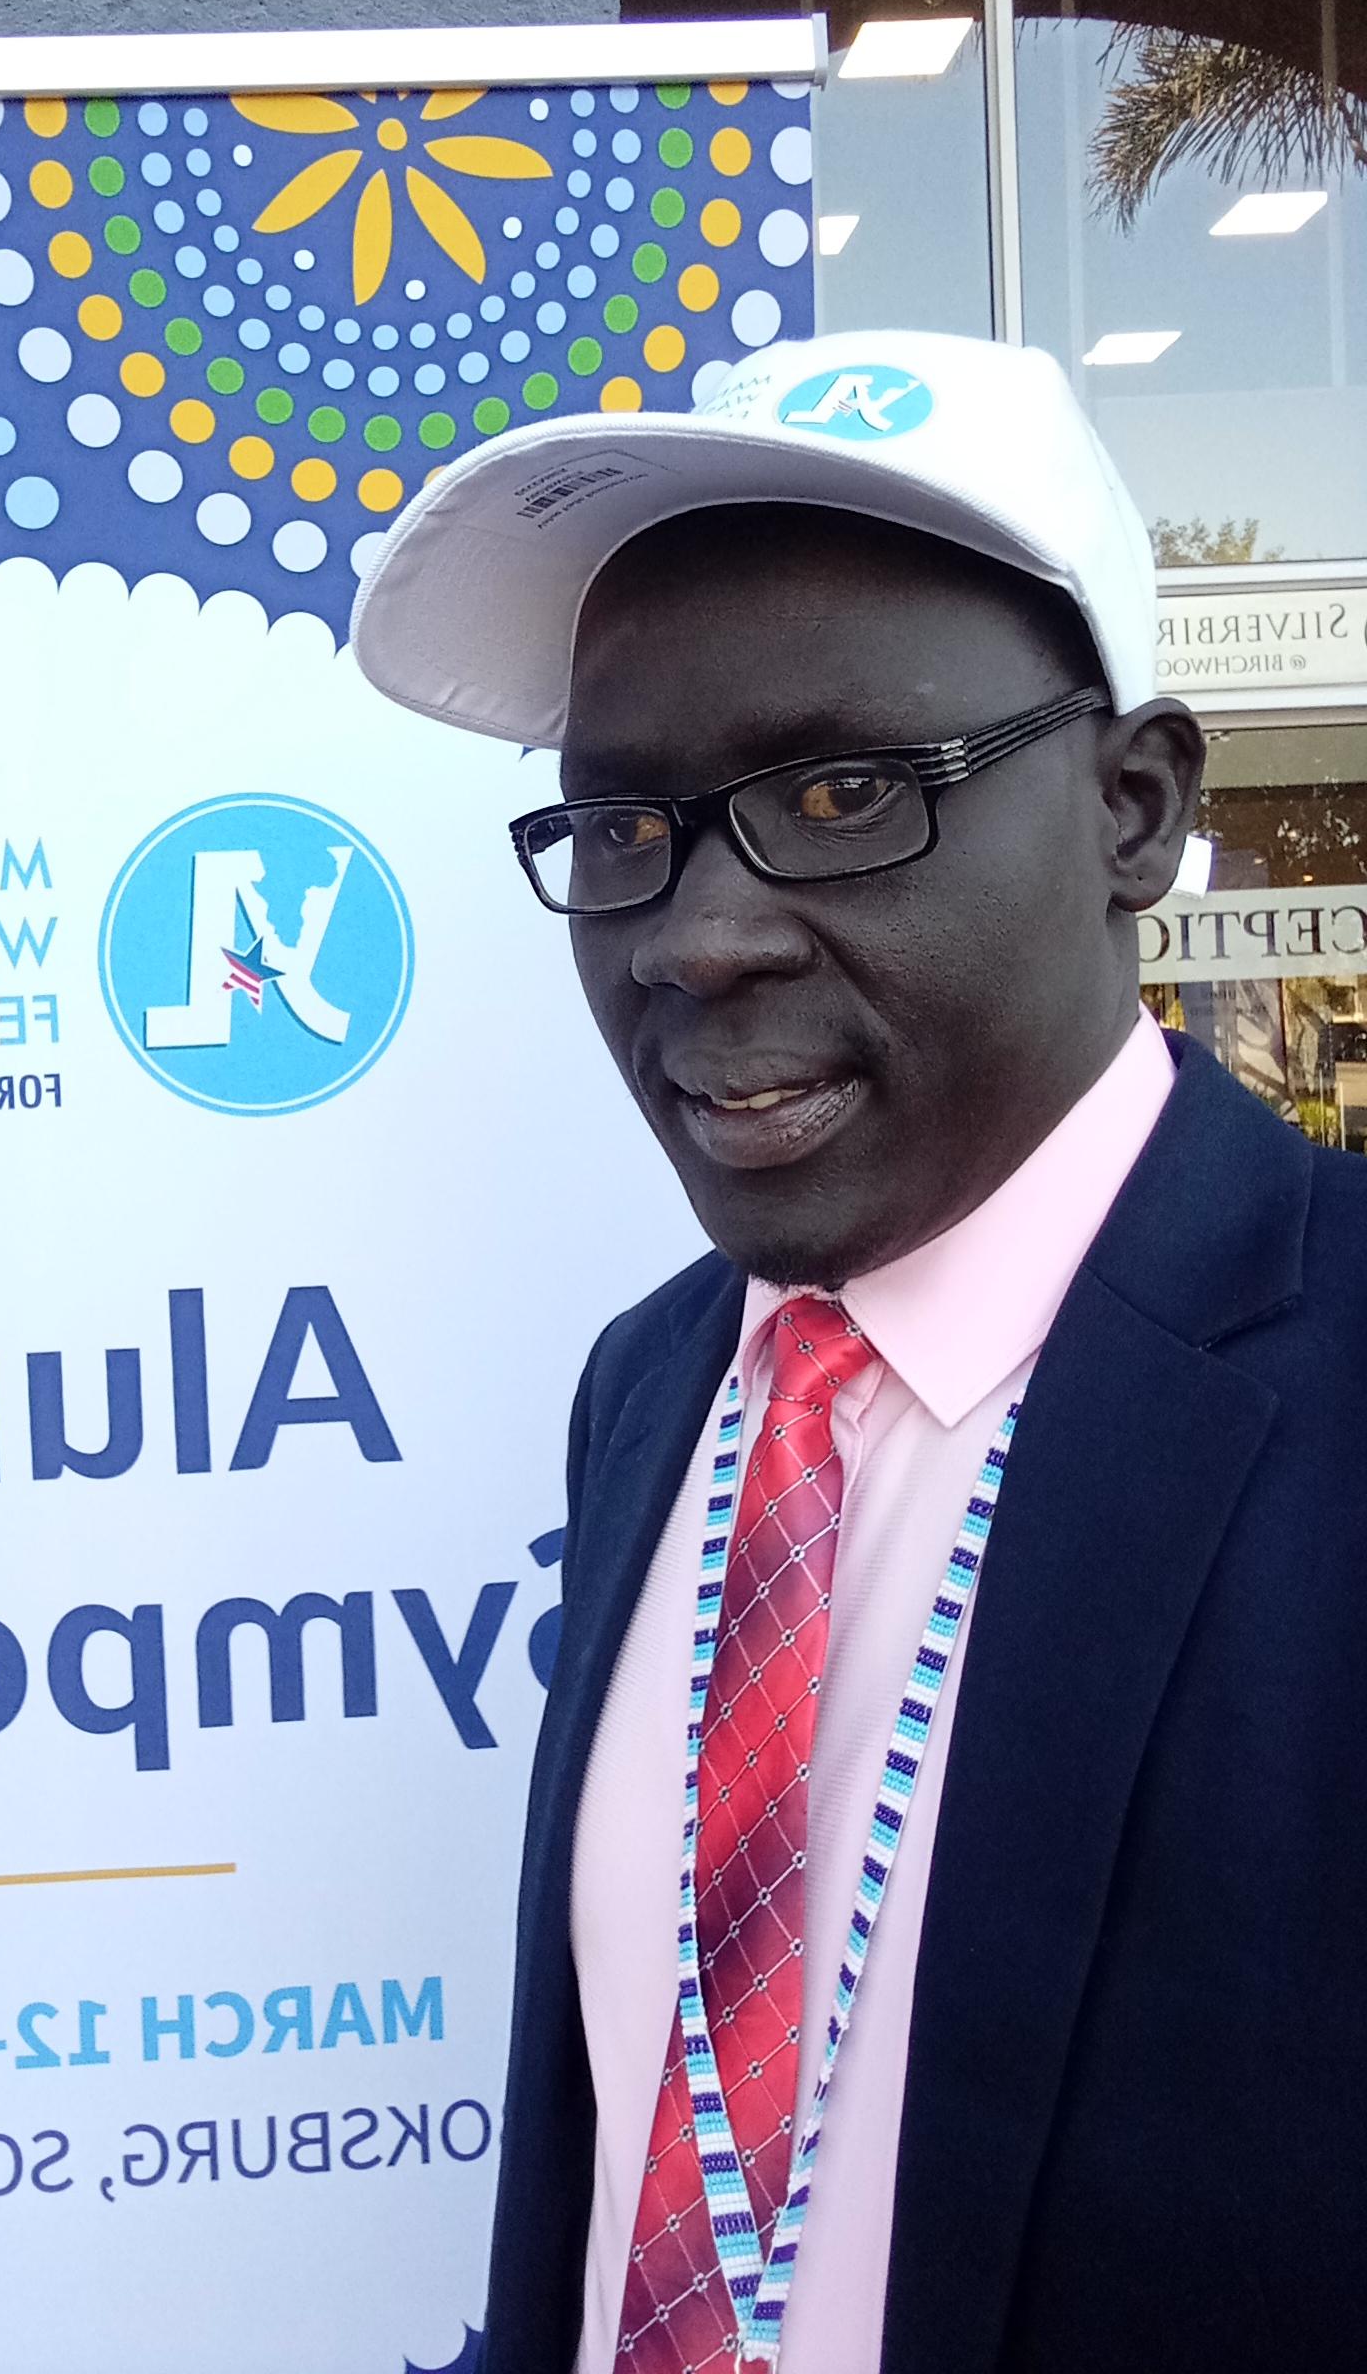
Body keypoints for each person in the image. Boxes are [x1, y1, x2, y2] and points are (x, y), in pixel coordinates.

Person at [351, 330, 1367, 2374]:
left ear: (1132, 809)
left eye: (837, 793)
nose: (690, 936)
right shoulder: (654, 1391)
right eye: (620, 828)